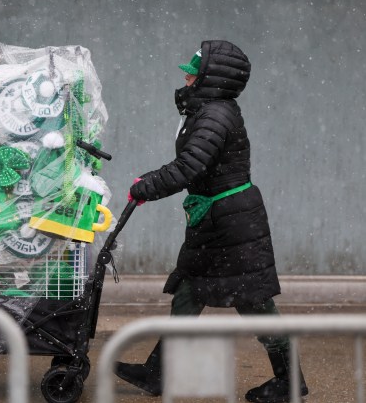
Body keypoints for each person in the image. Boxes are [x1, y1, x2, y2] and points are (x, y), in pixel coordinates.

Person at [115, 40, 308, 403]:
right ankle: (159, 373)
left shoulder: (215, 115)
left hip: (233, 222)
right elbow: (192, 165)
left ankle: (290, 382)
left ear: (210, 77)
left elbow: (190, 165)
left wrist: (147, 186)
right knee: (188, 291)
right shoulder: (209, 110)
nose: (186, 78)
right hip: (216, 218)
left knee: (255, 302)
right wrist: (151, 181)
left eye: (192, 73)